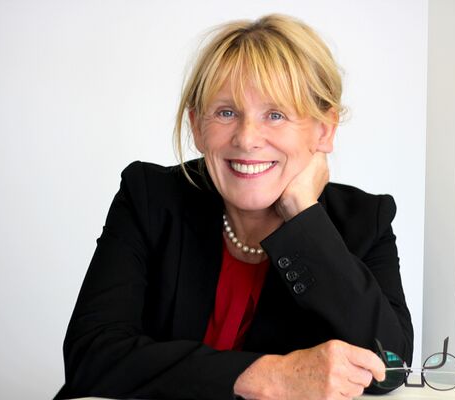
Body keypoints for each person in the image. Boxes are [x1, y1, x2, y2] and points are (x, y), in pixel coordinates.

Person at [55, 14, 413, 400]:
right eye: (226, 112)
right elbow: (91, 355)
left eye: (275, 115)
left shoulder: (364, 221)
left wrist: (303, 217)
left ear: (324, 130)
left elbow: (389, 369)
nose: (246, 139)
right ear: (197, 125)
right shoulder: (150, 198)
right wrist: (269, 375)